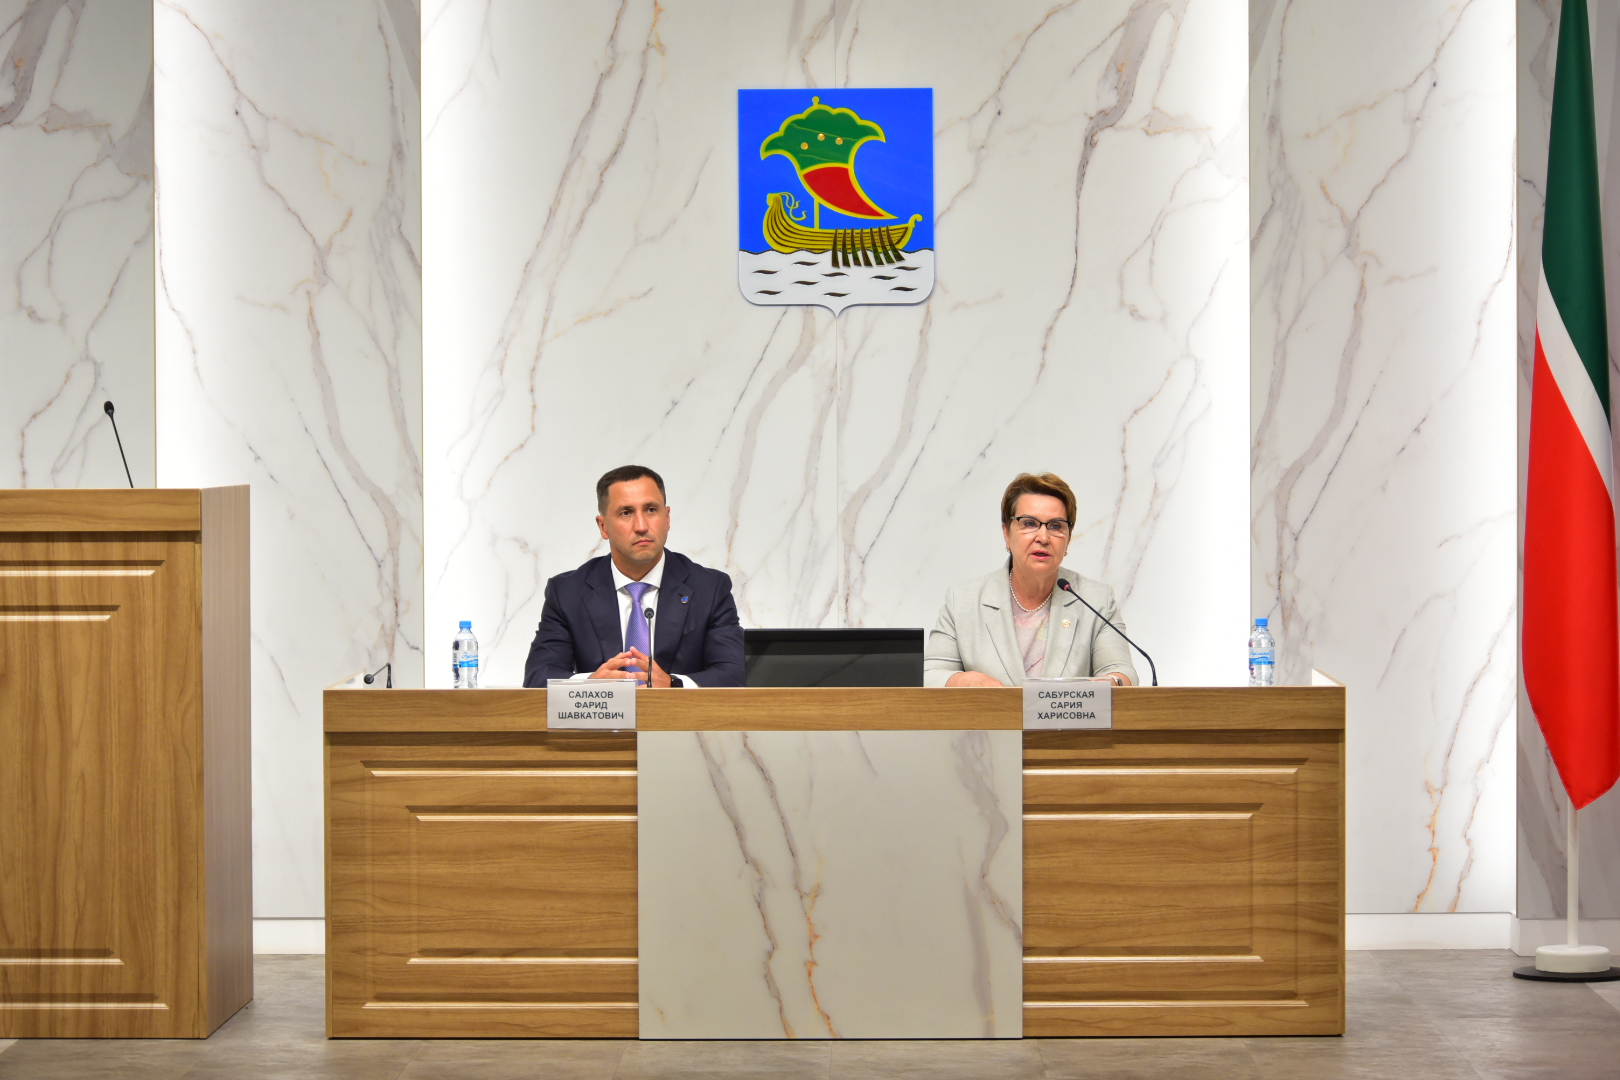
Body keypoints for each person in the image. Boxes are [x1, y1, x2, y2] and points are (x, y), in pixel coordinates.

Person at [522, 465, 745, 688]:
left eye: (651, 510)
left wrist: (673, 685)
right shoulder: (567, 592)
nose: (641, 526)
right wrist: (589, 685)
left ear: (667, 518)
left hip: (680, 712)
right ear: (603, 526)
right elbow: (538, 677)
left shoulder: (710, 589)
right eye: (626, 513)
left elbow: (732, 676)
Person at [925, 472, 1137, 688]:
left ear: (1068, 538)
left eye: (1056, 526)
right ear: (1007, 533)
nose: (1043, 537)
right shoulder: (962, 600)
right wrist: (964, 680)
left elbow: (1122, 671)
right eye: (1029, 523)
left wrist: (1105, 685)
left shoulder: (1096, 600)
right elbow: (929, 674)